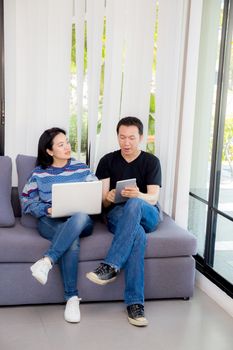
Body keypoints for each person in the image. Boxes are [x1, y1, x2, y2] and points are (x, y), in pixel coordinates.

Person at [86, 116, 162, 327]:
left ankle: (110, 265)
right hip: (118, 216)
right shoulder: (107, 161)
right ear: (117, 137)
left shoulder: (151, 161)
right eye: (122, 137)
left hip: (147, 212)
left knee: (135, 204)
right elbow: (102, 201)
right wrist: (107, 197)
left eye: (131, 138)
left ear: (140, 138)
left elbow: (154, 197)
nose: (126, 143)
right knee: (136, 235)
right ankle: (135, 306)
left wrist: (138, 195)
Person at [20, 127, 96, 323]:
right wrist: (47, 210)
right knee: (71, 240)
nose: (67, 147)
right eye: (61, 145)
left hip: (82, 220)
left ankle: (47, 261)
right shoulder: (38, 174)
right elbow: (26, 202)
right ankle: (72, 298)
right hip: (50, 221)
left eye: (67, 143)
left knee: (78, 216)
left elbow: (95, 193)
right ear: (49, 151)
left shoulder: (83, 169)